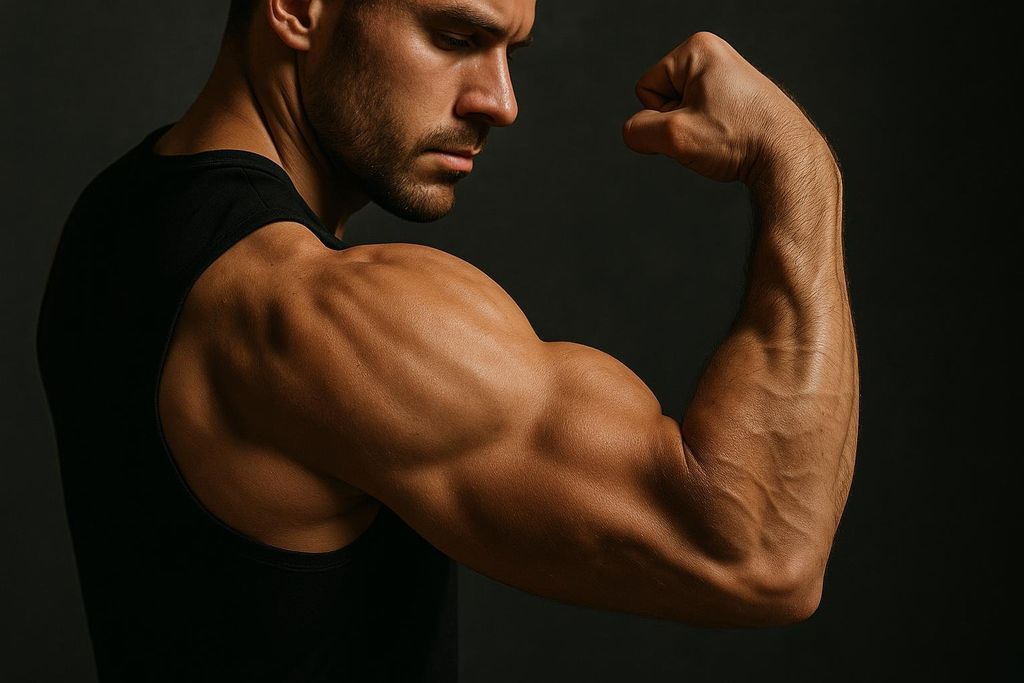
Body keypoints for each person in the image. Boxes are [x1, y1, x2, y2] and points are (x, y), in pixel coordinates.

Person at [36, 0, 859, 680]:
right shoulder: (321, 313)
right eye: (456, 38)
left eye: (511, 52)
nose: (499, 101)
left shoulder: (117, 213)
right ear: (296, 8)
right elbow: (763, 554)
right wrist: (798, 164)